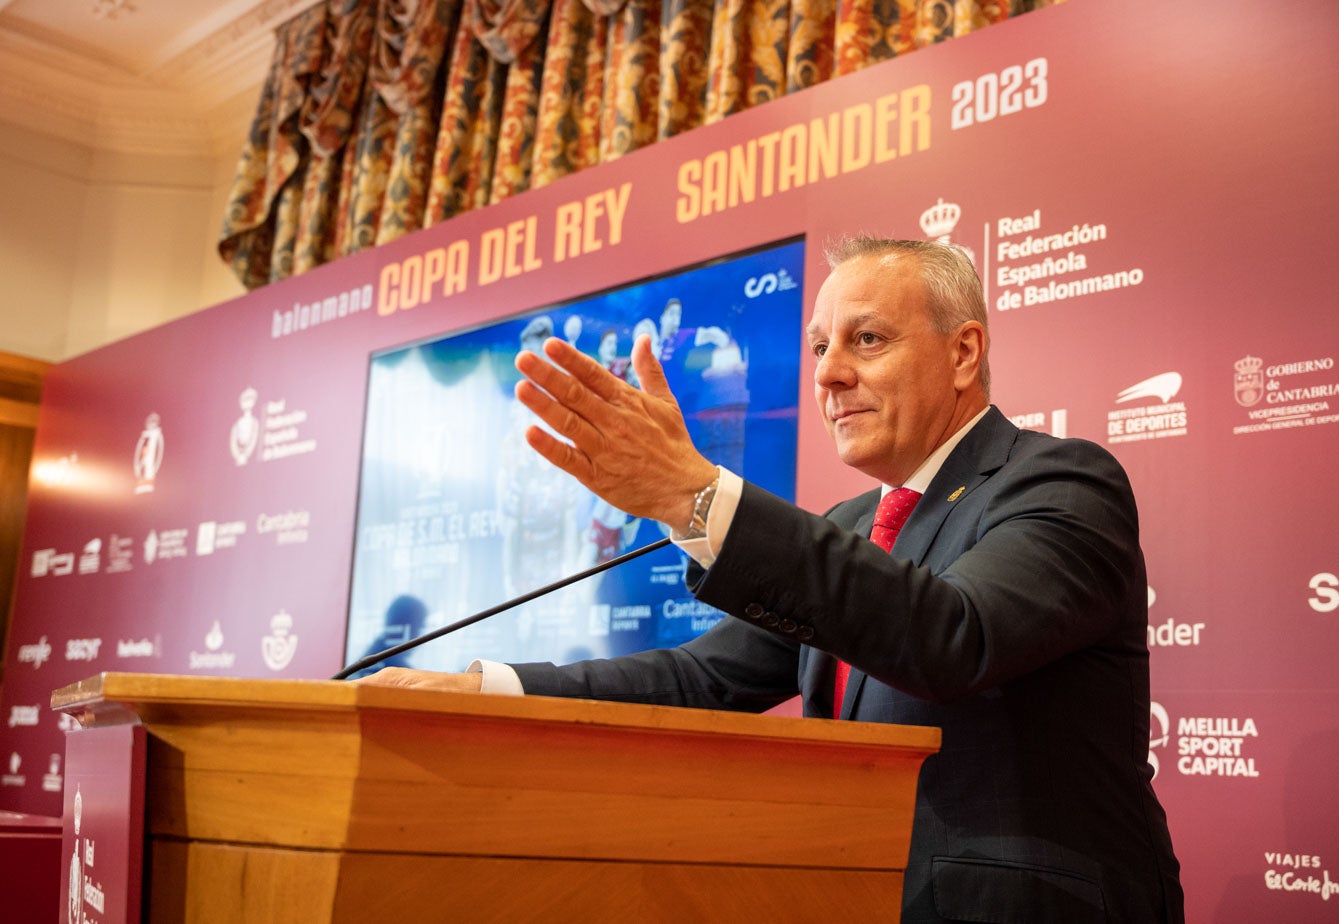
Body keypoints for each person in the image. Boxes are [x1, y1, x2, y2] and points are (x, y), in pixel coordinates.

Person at [361, 237, 1184, 922]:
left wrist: (696, 496)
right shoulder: (852, 526)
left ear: (963, 351)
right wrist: (487, 690)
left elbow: (952, 636)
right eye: (821, 346)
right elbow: (700, 677)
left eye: (866, 341)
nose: (825, 375)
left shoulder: (1061, 483)